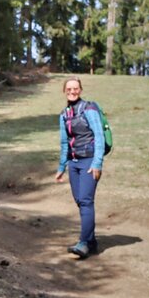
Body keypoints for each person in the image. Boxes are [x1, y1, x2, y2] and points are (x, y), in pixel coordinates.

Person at [54, 76, 105, 259]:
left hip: (89, 162)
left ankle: (83, 243)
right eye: (69, 89)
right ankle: (91, 242)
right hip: (73, 163)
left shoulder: (89, 109)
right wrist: (61, 167)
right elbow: (64, 142)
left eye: (76, 88)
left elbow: (99, 136)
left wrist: (97, 163)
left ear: (80, 90)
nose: (72, 91)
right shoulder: (64, 114)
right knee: (79, 200)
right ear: (64, 91)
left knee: (85, 200)